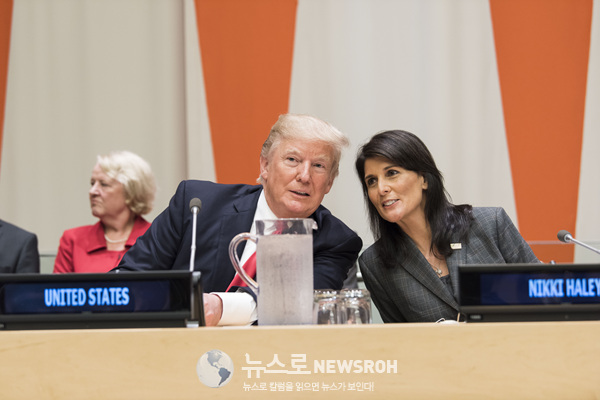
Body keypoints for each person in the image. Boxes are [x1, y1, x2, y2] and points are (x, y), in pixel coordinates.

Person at [117, 113, 363, 326]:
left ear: (329, 182)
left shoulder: (336, 241)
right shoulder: (197, 204)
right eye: (293, 160)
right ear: (265, 165)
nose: (305, 176)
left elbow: (294, 306)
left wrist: (220, 307)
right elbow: (131, 277)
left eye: (319, 166)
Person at [355, 130, 539, 323]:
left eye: (392, 173)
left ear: (424, 179)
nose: (381, 188)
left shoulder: (490, 222)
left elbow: (544, 299)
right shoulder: (375, 263)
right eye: (372, 181)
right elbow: (400, 340)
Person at [53, 151, 156, 273]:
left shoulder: (155, 238)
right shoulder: (73, 240)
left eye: (104, 184)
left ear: (131, 191)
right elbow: (59, 291)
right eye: (92, 183)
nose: (92, 191)